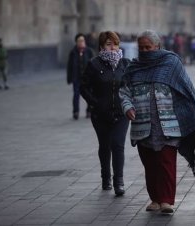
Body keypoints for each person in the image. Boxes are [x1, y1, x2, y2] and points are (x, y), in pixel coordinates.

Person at [119, 30, 195, 214]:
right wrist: (127, 107)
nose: (144, 51)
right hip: (143, 125)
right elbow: (124, 92)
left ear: (157, 46)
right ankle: (155, 199)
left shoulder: (171, 63)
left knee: (166, 162)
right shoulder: (133, 68)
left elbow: (185, 89)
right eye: (141, 47)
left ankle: (166, 200)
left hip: (168, 124)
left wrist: (188, 114)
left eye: (147, 47)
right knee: (150, 164)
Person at [80, 31, 130, 196]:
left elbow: (132, 86)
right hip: (100, 115)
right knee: (105, 146)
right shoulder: (94, 64)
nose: (113, 48)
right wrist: (95, 103)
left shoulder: (125, 64)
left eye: (115, 44)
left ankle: (119, 181)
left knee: (118, 145)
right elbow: (84, 87)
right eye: (109, 44)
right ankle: (105, 177)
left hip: (121, 114)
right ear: (101, 46)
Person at [67, 33, 94, 120]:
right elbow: (69, 66)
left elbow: (93, 64)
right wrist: (69, 78)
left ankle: (89, 111)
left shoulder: (89, 51)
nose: (81, 42)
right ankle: (76, 111)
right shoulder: (73, 52)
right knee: (76, 95)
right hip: (77, 78)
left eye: (82, 40)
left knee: (89, 95)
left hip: (88, 78)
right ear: (76, 42)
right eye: (79, 41)